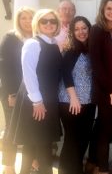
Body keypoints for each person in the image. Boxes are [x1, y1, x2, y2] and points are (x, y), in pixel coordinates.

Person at [10, 9, 62, 174]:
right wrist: (37, 102)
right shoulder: (33, 43)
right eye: (44, 21)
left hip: (48, 100)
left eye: (52, 21)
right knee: (42, 146)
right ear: (37, 24)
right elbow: (29, 74)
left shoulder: (53, 44)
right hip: (36, 101)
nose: (48, 24)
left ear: (57, 25)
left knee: (33, 146)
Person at [87, 0, 112, 174]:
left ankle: (92, 162)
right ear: (103, 10)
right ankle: (102, 169)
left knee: (101, 125)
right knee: (106, 128)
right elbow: (96, 63)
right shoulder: (96, 30)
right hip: (105, 87)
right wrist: (110, 89)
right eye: (108, 8)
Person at [58, 16, 96, 174]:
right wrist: (74, 98)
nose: (81, 32)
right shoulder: (72, 50)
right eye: (77, 29)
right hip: (70, 102)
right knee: (72, 141)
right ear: (72, 32)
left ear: (89, 29)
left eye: (84, 28)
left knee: (84, 139)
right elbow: (65, 74)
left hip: (88, 102)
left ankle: (76, 169)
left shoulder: (90, 49)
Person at [0, 7, 35, 174]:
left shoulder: (36, 38)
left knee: (31, 128)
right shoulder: (11, 38)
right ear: (18, 20)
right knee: (11, 128)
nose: (27, 21)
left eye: (30, 18)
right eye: (24, 18)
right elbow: (5, 68)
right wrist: (11, 94)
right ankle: (8, 165)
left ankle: (31, 163)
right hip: (12, 91)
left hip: (32, 92)